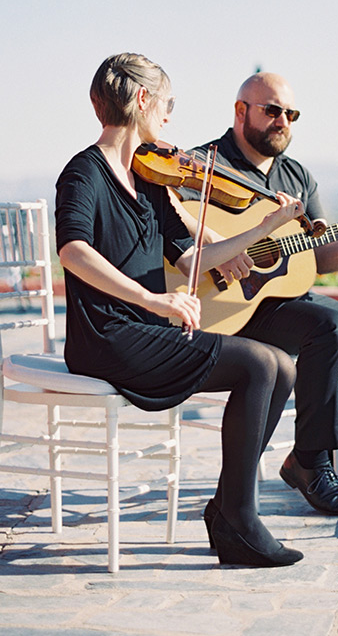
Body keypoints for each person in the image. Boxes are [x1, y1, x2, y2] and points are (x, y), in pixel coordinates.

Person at [55, 53, 308, 567]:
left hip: (145, 331)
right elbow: (73, 251)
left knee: (281, 364)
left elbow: (195, 257)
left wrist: (264, 227)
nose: (170, 118)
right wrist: (152, 299)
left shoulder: (151, 180)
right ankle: (236, 518)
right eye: (167, 104)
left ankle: (229, 507)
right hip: (107, 336)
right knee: (258, 363)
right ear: (143, 101)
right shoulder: (84, 173)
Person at [187, 72, 338, 517]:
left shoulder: (297, 176)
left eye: (290, 114)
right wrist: (218, 245)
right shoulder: (206, 164)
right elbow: (170, 215)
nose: (283, 122)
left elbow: (323, 256)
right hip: (230, 304)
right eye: (272, 111)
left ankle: (325, 456)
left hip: (282, 299)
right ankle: (313, 466)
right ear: (240, 111)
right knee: (327, 327)